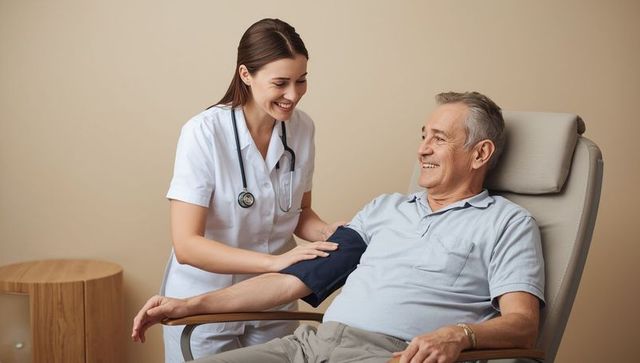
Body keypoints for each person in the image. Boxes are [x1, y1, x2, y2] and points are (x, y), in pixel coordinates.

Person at [133, 91, 545, 363]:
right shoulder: (386, 209)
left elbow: (524, 326)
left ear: (481, 153)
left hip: (391, 354)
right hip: (308, 346)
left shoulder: (507, 223)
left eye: (438, 139)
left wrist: (457, 336)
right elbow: (291, 282)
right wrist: (189, 306)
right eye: (423, 136)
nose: (421, 149)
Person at [157, 18, 343, 361]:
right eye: (280, 83)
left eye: (301, 81)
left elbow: (299, 214)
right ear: (246, 75)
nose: (293, 94)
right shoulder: (204, 133)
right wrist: (275, 263)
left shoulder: (301, 129)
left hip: (273, 299)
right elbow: (187, 245)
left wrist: (333, 233)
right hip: (208, 301)